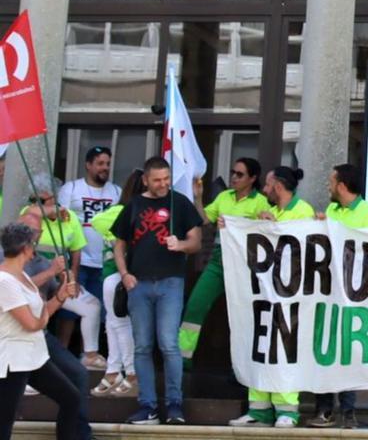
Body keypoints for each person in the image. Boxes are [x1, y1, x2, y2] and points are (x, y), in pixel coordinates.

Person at [111, 157, 203, 425]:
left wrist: (181, 245)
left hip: (170, 282)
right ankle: (148, 406)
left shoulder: (180, 202)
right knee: (142, 347)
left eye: (166, 179)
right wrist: (125, 274)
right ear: (146, 180)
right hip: (138, 283)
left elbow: (196, 242)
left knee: (169, 344)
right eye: (157, 180)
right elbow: (118, 246)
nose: (163, 184)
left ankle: (175, 404)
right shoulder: (133, 205)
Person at [229, 166, 313, 428]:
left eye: (267, 185)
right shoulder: (271, 212)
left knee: (286, 353)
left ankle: (288, 410)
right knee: (261, 348)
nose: (264, 191)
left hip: (291, 297)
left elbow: (305, 250)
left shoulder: (304, 211)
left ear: (277, 186)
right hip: (265, 296)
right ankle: (260, 410)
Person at [308, 164, 368, 429]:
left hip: (354, 295)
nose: (328, 186)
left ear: (341, 185)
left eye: (331, 181)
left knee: (348, 352)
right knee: (325, 350)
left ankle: (348, 411)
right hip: (328, 293)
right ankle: (324, 410)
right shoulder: (331, 211)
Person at [179, 157, 269, 367]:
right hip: (219, 261)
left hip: (245, 264)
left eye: (240, 174)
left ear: (253, 178)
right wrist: (198, 198)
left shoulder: (261, 202)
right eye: (233, 172)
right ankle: (182, 360)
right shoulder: (224, 197)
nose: (234, 177)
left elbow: (266, 234)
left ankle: (245, 366)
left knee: (244, 315)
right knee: (195, 305)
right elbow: (202, 220)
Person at [17, 209, 94, 439]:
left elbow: (51, 302)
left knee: (78, 375)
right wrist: (51, 271)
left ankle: (78, 435)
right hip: (11, 339)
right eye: (26, 231)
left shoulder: (42, 261)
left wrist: (65, 286)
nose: (32, 236)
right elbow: (14, 285)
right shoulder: (6, 257)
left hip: (38, 334)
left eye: (35, 233)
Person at [0, 222, 80, 440]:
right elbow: (33, 324)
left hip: (34, 356)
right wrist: (44, 315)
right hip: (11, 361)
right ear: (26, 248)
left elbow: (41, 311)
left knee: (71, 398)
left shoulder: (23, 276)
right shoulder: (4, 281)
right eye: (33, 243)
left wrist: (60, 296)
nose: (34, 248)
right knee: (3, 423)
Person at [27, 174, 105, 370]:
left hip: (58, 282)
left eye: (43, 199)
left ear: (55, 196)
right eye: (35, 199)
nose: (37, 203)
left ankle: (90, 355)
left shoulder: (69, 218)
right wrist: (52, 209)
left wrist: (73, 278)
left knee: (92, 306)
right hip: (31, 284)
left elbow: (76, 251)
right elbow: (31, 211)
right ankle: (30, 369)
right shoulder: (30, 215)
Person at [57, 146, 121, 364]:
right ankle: (62, 353)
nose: (105, 168)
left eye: (108, 164)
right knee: (69, 309)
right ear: (89, 164)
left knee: (97, 311)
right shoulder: (71, 188)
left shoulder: (115, 191)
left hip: (104, 262)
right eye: (101, 163)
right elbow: (61, 222)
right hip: (78, 260)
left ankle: (88, 355)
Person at [89, 170, 145, 398]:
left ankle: (130, 373)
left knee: (119, 325)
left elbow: (97, 222)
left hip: (120, 276)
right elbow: (97, 222)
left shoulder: (120, 212)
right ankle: (114, 371)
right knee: (114, 324)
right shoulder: (125, 212)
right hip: (116, 275)